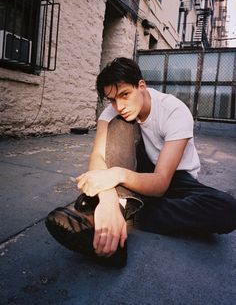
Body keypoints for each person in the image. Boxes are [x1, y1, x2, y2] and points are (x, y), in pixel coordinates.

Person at [45, 57, 236, 267]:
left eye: (125, 94)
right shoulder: (113, 113)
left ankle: (121, 219)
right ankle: (114, 219)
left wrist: (117, 175)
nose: (120, 106)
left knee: (226, 209)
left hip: (175, 177)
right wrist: (108, 200)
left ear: (141, 86)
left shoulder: (174, 110)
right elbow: (98, 157)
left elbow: (161, 182)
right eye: (112, 100)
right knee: (118, 124)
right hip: (135, 168)